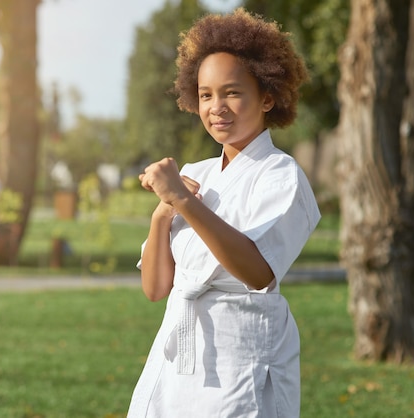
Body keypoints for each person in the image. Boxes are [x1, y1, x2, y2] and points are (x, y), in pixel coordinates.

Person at [127, 8, 321, 418]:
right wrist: (162, 216)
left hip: (243, 354)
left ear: (267, 97)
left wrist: (182, 202)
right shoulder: (194, 174)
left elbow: (259, 273)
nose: (217, 107)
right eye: (205, 94)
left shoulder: (281, 175)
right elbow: (156, 288)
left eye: (232, 92)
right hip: (180, 358)